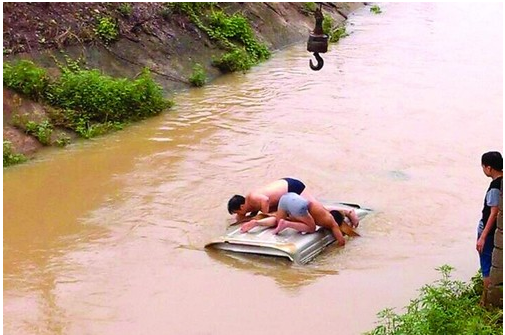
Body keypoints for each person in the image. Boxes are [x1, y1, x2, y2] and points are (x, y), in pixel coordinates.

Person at [240, 192, 359, 246]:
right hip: (298, 205)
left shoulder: (322, 210)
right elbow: (341, 241)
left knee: (277, 220)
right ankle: (286, 224)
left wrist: (347, 212)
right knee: (311, 228)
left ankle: (256, 223)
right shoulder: (332, 222)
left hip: (287, 197)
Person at [476, 151, 503, 304]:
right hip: (495, 233)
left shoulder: (494, 187)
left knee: (486, 267)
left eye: (483, 166)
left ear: (489, 168)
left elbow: (493, 213)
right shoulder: (502, 182)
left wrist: (482, 237)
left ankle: (486, 301)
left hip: (489, 231)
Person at [227, 177, 316, 222]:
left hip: (290, 186)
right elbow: (243, 217)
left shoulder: (252, 198)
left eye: (237, 212)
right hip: (284, 186)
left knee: (312, 208)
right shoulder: (250, 204)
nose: (237, 214)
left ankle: (329, 214)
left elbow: (265, 200)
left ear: (242, 207)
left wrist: (265, 216)